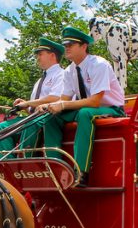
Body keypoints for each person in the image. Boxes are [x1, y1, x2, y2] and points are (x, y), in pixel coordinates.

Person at [38, 26, 126, 187]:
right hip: (85, 108)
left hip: (112, 109)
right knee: (50, 116)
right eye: (65, 45)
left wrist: (63, 104)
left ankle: (80, 172)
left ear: (84, 46)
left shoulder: (99, 64)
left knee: (85, 113)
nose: (66, 48)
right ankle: (55, 169)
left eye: (70, 44)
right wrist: (49, 106)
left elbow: (95, 102)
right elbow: (64, 99)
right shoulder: (69, 71)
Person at [0, 37, 65, 156]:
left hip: (51, 118)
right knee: (2, 127)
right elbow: (34, 110)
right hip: (35, 118)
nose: (37, 58)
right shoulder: (39, 81)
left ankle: (24, 164)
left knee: (31, 124)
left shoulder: (61, 74)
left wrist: (28, 103)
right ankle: (7, 166)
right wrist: (26, 106)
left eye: (40, 54)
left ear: (52, 55)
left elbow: (56, 98)